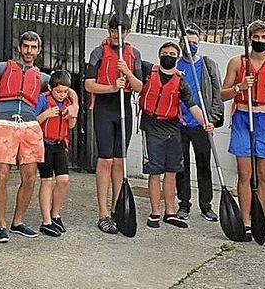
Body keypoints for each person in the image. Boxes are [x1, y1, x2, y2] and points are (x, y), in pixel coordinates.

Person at [0, 31, 79, 242]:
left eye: (33, 47)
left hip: (29, 126)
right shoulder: (2, 67)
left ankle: (18, 221)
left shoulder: (43, 77)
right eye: (26, 46)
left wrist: (76, 106)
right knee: (1, 175)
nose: (29, 51)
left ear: (38, 50)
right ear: (19, 47)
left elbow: (68, 90)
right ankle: (1, 225)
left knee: (30, 177)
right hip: (5, 123)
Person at [220, 19, 265, 245]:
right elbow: (222, 94)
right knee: (245, 174)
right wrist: (239, 87)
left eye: (264, 38)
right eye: (256, 38)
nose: (260, 41)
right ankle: (246, 222)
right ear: (250, 39)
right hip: (242, 117)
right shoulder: (237, 63)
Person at [84, 14, 144, 234]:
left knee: (120, 161)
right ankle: (103, 213)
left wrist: (126, 72)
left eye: (120, 32)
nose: (116, 36)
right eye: (112, 31)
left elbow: (139, 87)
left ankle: (118, 208)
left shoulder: (133, 54)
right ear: (108, 31)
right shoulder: (98, 52)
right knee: (106, 160)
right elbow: (89, 85)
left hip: (124, 110)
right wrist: (112, 87)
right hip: (104, 109)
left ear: (127, 32)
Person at [141, 41, 208, 229]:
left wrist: (206, 123)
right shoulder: (148, 71)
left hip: (172, 129)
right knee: (154, 172)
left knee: (171, 173)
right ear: (159, 54)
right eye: (165, 52)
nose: (168, 55)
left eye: (172, 53)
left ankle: (169, 212)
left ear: (177, 58)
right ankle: (154, 212)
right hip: (151, 127)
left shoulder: (181, 82)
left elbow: (193, 106)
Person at [175, 28, 224, 222]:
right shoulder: (176, 65)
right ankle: (184, 204)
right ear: (181, 44)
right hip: (179, 123)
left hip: (201, 124)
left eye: (195, 42)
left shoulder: (207, 64)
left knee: (204, 164)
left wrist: (211, 118)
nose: (192, 45)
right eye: (188, 42)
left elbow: (217, 93)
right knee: (181, 165)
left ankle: (206, 205)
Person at [34, 70, 78, 236]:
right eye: (58, 91)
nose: (61, 95)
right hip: (44, 144)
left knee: (63, 180)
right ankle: (46, 221)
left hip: (59, 144)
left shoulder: (68, 102)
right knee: (47, 181)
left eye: (65, 92)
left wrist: (72, 115)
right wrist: (46, 114)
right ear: (51, 88)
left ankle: (55, 214)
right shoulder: (43, 99)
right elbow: (33, 121)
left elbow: (72, 126)